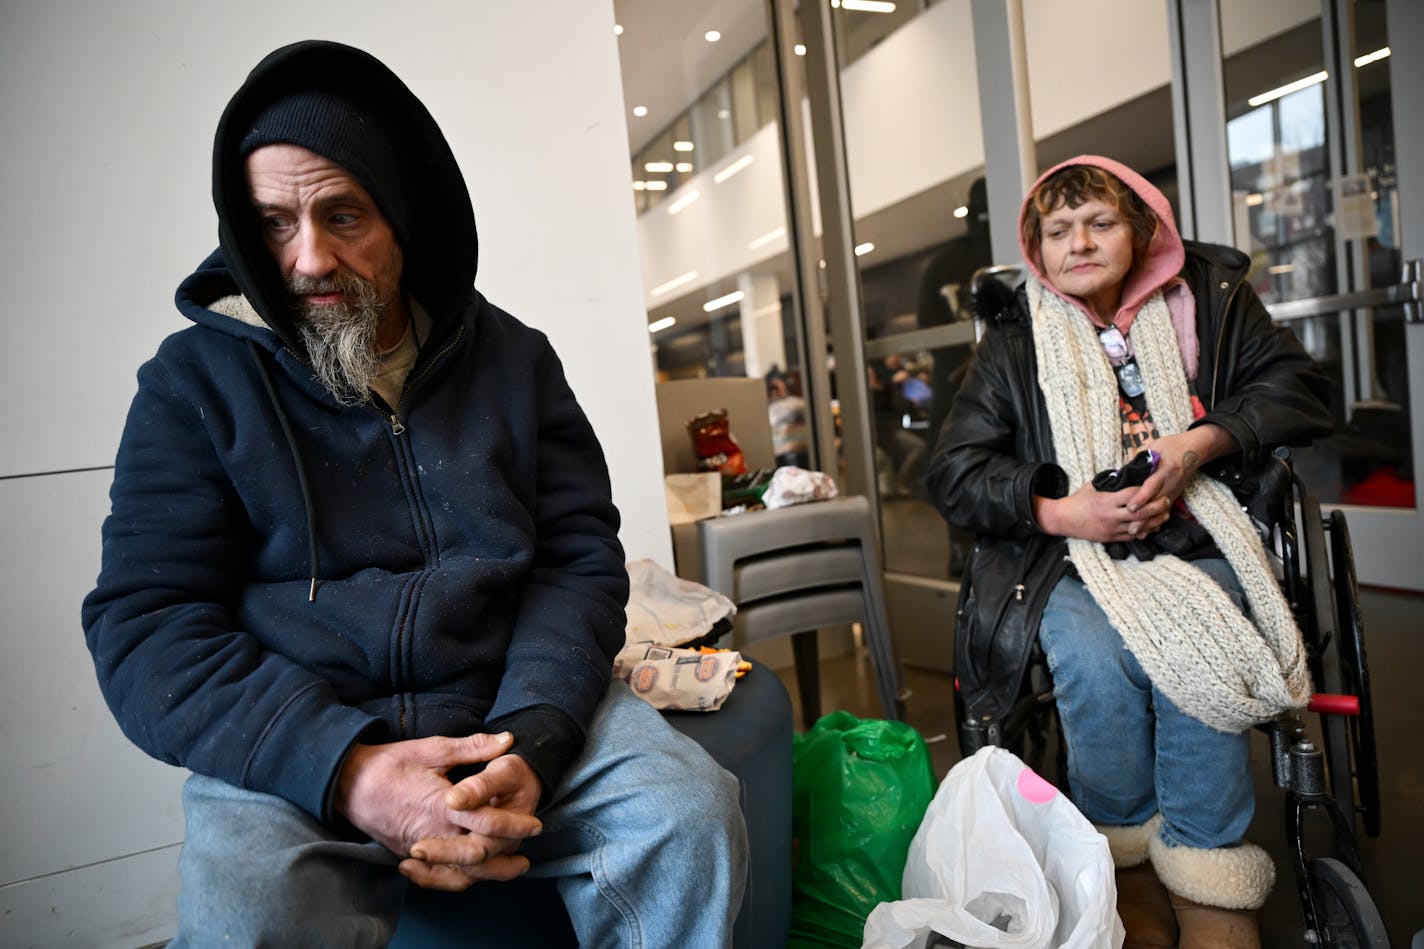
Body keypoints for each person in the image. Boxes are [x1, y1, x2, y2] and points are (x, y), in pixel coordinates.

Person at [81, 40, 746, 948]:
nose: (308, 257)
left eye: (343, 215)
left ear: (404, 217)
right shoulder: (190, 386)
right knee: (245, 913)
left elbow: (575, 559)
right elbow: (147, 624)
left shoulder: (517, 363)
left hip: (506, 713)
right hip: (301, 745)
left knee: (689, 814)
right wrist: (346, 769)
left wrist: (536, 742)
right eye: (273, 223)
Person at [927, 156, 1332, 949]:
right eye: (1058, 230)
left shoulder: (1209, 302)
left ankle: (1209, 870)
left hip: (1202, 530)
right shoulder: (1014, 340)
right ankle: (1126, 859)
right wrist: (1061, 507)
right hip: (1071, 557)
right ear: (1036, 250)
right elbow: (955, 471)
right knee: (1088, 651)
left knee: (1199, 644)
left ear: (1140, 230)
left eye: (1099, 222)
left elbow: (1297, 390)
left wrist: (1197, 446)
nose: (1079, 242)